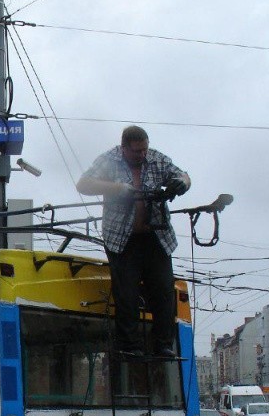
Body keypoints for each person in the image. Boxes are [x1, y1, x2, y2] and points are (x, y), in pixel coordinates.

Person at [76, 125, 190, 359]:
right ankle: (129, 345)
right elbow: (83, 184)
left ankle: (163, 344)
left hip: (156, 237)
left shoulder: (157, 159)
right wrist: (117, 188)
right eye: (137, 151)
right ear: (124, 148)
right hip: (122, 240)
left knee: (163, 291)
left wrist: (182, 183)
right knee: (126, 293)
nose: (142, 155)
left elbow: (184, 176)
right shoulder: (109, 161)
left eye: (144, 150)